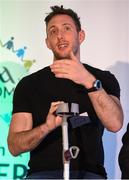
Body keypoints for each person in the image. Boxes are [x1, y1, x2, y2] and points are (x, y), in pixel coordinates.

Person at [7, 5, 124, 179]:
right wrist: (46, 127)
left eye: (67, 28)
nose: (60, 35)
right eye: (53, 31)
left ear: (81, 35)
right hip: (42, 174)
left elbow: (115, 123)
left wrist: (88, 80)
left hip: (90, 173)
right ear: (47, 42)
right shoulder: (30, 84)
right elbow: (15, 146)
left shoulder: (102, 79)